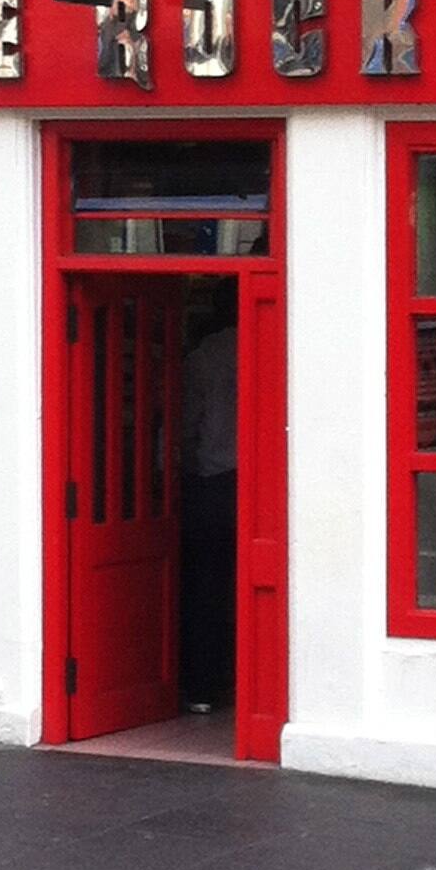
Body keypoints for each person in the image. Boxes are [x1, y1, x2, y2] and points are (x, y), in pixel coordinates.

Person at [180, 284, 239, 709]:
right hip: (260, 482)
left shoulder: (204, 357)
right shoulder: (275, 344)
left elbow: (187, 423)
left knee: (206, 585)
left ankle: (204, 684)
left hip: (213, 482)